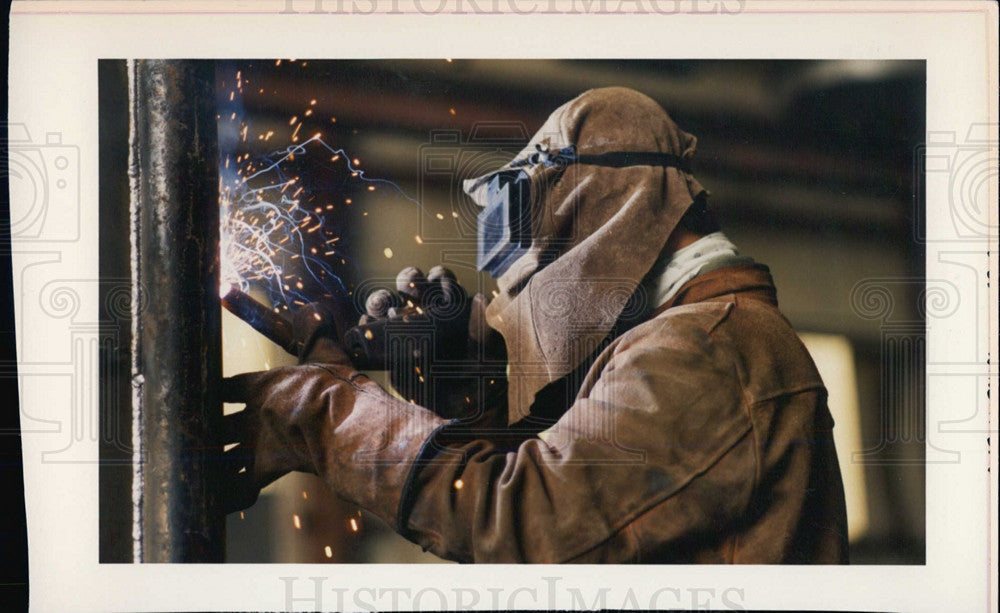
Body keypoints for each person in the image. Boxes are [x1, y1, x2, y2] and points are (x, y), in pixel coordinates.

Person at [222, 87, 849, 563]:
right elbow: (577, 474)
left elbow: (523, 517)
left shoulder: (707, 348)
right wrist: (463, 375)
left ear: (616, 207)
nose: (521, 284)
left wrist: (327, 418)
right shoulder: (686, 341)